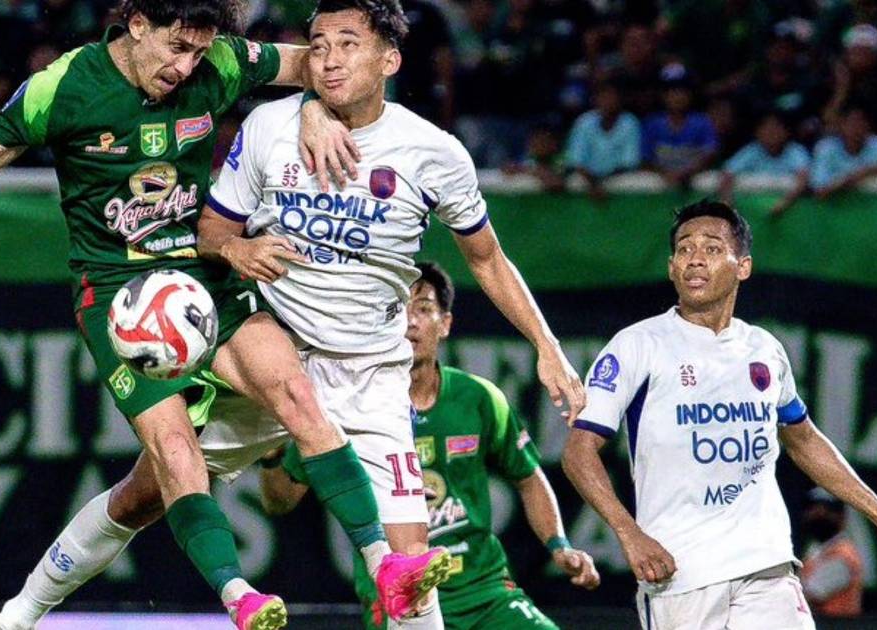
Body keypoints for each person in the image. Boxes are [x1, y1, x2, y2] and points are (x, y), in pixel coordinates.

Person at [0, 2, 444, 629]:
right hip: (120, 296)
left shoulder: (219, 60)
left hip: (201, 272)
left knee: (298, 395)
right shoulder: (65, 87)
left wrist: (312, 108)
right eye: (176, 48)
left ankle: (383, 562)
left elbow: (318, 63)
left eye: (199, 53)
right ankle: (238, 596)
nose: (187, 67)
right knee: (172, 455)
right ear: (136, 24)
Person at [197, 0, 587, 625]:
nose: (329, 59)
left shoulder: (433, 152)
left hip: (372, 374)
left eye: (349, 44)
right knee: (149, 489)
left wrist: (547, 346)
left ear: (390, 60)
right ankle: (33, 605)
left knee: (411, 567)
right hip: (274, 358)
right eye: (318, 44)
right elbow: (211, 232)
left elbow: (488, 260)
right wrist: (238, 248)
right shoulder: (270, 125)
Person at [561, 199, 877, 630]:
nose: (695, 258)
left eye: (712, 248)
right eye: (684, 249)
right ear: (670, 267)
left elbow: (804, 439)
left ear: (743, 267)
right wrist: (630, 534)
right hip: (681, 576)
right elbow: (578, 452)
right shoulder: (637, 345)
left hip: (767, 567)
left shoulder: (764, 349)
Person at [259, 261, 601, 630]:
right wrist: (271, 451)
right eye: (397, 308)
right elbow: (279, 501)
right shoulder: (345, 409)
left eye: (423, 308)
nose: (409, 321)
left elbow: (528, 477)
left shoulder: (479, 398)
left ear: (445, 323)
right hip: (398, 598)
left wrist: (559, 545)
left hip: (484, 593)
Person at [810, 105, 877, 198]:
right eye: (853, 123)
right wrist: (855, 177)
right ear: (842, 125)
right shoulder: (827, 148)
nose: (858, 128)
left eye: (862, 122)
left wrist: (874, 170)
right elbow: (819, 190)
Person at [717, 113, 810, 216]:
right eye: (766, 129)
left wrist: (785, 203)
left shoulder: (795, 151)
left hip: (786, 205)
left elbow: (803, 178)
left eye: (776, 128)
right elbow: (728, 173)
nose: (771, 133)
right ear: (757, 132)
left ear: (786, 132)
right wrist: (727, 201)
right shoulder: (751, 150)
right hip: (750, 206)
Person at [565, 79, 642, 203]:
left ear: (620, 99)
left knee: (637, 182)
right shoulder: (584, 122)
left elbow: (628, 163)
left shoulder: (630, 122)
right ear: (595, 99)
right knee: (574, 182)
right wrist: (594, 184)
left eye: (612, 96)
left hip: (617, 177)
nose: (608, 101)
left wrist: (602, 183)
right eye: (603, 97)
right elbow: (576, 162)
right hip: (588, 179)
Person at [642, 64, 718, 188]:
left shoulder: (702, 122)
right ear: (663, 95)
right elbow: (645, 159)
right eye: (672, 91)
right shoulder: (652, 124)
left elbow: (710, 153)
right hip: (661, 187)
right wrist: (666, 174)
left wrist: (688, 172)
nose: (677, 96)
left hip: (693, 187)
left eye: (682, 91)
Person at [799, 488, 864, 618]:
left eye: (827, 509)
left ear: (842, 516)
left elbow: (811, 595)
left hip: (836, 624)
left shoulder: (843, 555)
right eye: (813, 508)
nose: (819, 513)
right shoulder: (816, 548)